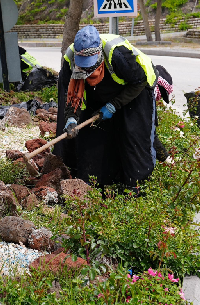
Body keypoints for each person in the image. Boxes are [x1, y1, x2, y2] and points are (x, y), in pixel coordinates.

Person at [54, 26, 157, 189]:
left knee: (134, 137)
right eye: (83, 68)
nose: (87, 72)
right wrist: (71, 118)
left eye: (90, 67)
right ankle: (98, 185)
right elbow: (70, 96)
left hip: (137, 87)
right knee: (91, 136)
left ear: (99, 54)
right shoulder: (70, 59)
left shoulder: (117, 54)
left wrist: (113, 106)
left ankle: (137, 188)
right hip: (100, 91)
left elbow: (138, 82)